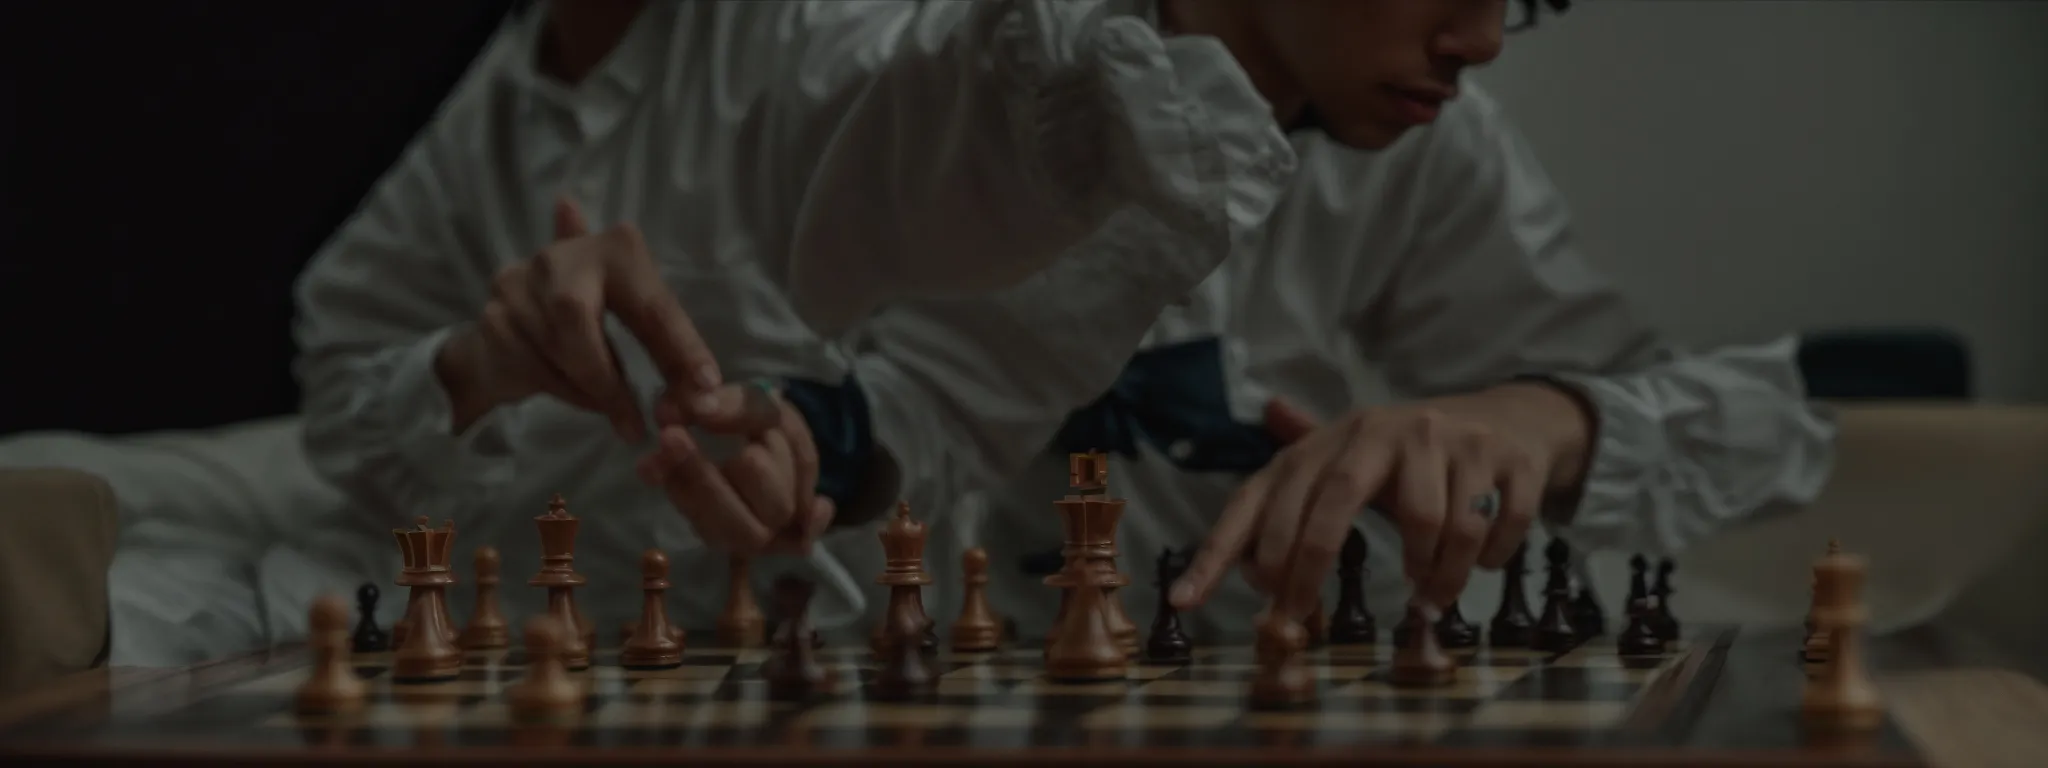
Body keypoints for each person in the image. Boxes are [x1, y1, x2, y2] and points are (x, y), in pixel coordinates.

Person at [218, 0, 1299, 667]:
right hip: (523, 657)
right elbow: (342, 372)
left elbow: (960, 122)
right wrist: (473, 365)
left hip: (799, 662)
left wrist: (823, 447)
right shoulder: (491, 109)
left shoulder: (814, 36)